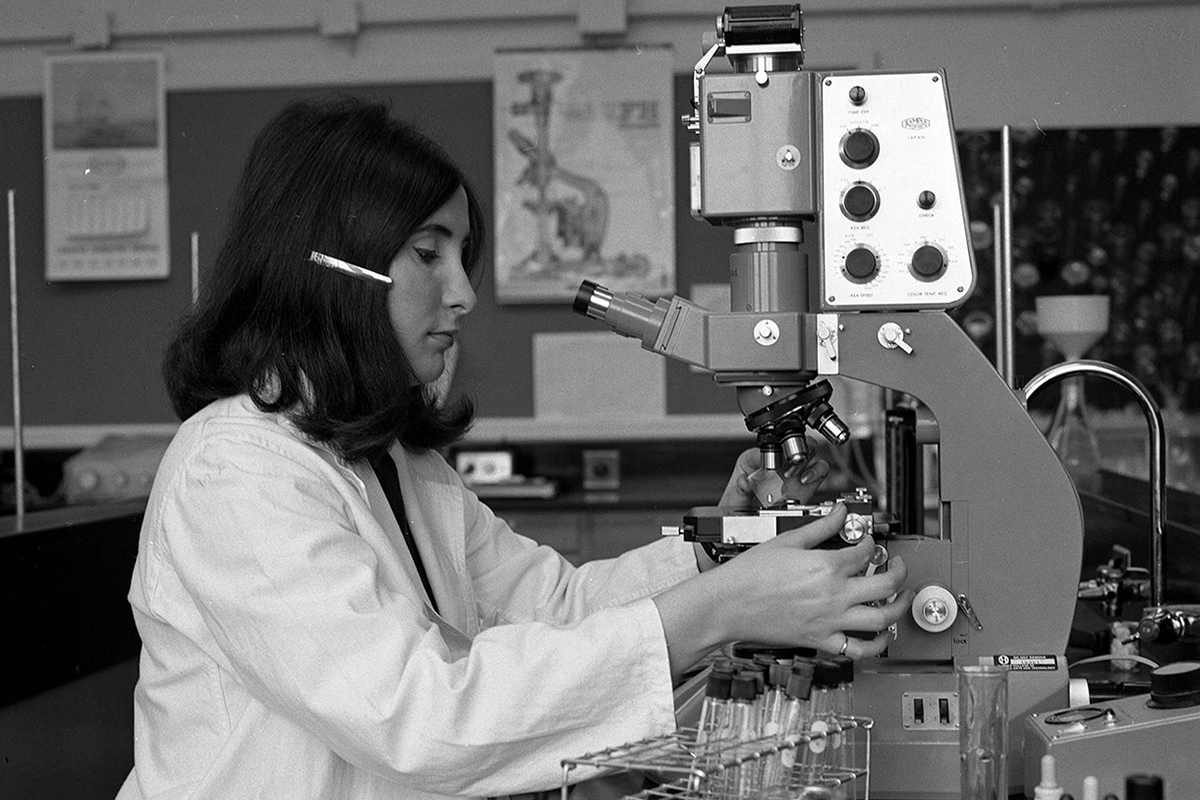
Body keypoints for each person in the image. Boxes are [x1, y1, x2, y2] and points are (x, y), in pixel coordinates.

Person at [116, 97, 911, 800]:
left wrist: (721, 559)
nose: (462, 292)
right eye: (429, 255)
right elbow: (417, 715)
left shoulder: (394, 462)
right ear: (333, 270)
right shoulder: (236, 474)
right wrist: (720, 611)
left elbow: (553, 608)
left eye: (462, 256)